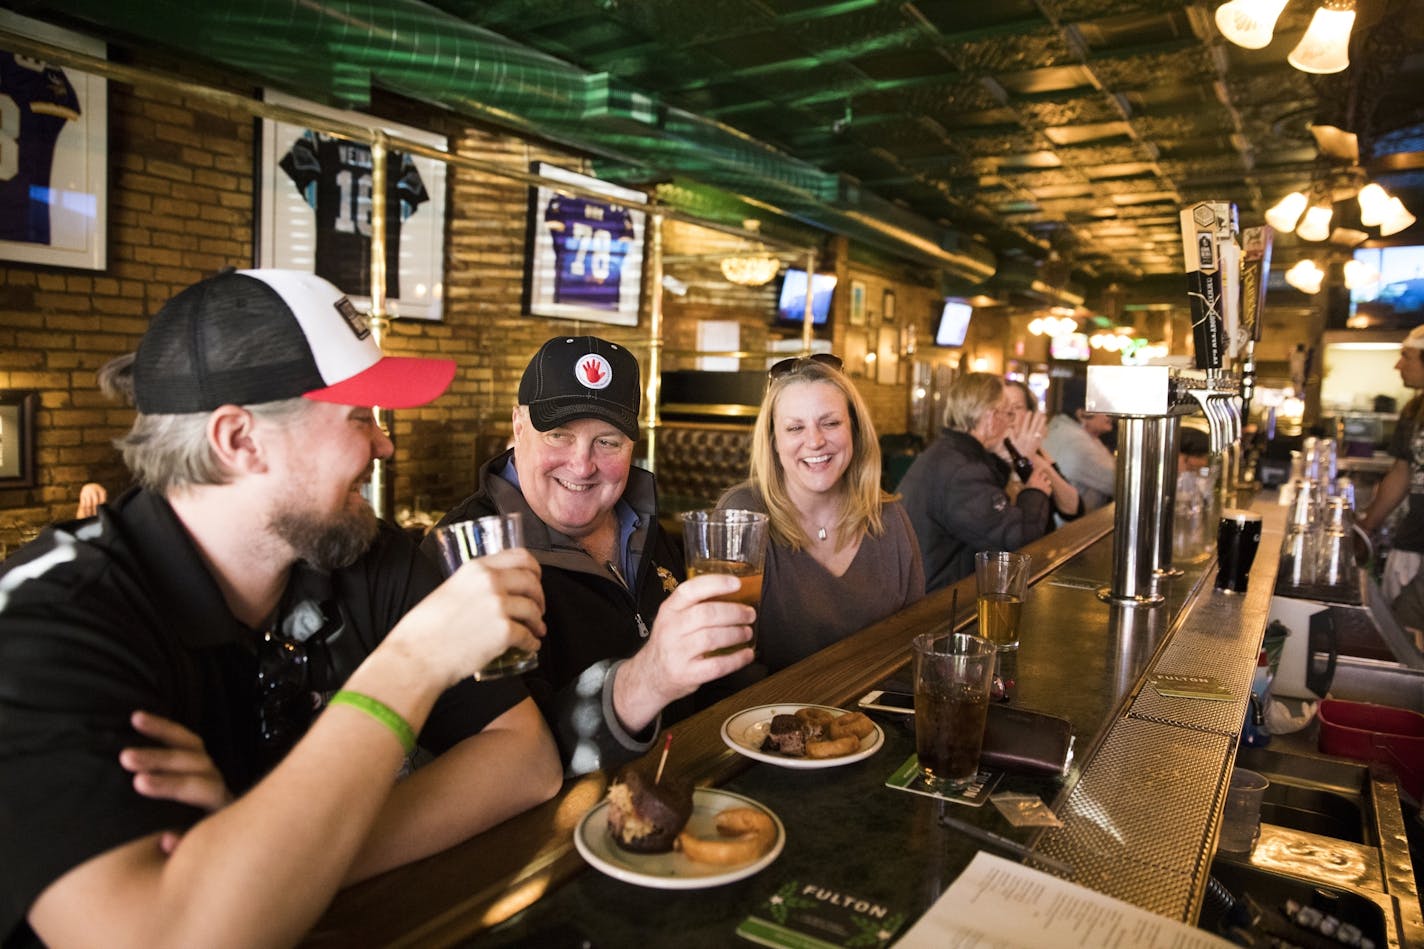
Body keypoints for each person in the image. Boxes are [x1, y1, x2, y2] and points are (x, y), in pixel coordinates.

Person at [0, 269, 563, 948]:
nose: (385, 444)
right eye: (361, 417)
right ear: (239, 440)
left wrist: (264, 853)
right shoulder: (53, 619)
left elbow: (527, 761)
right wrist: (413, 660)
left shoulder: (365, 551)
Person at [428, 336, 756, 776]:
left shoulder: (643, 521)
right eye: (559, 435)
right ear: (518, 425)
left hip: (684, 778)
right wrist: (646, 678)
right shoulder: (466, 553)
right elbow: (495, 758)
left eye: (607, 442)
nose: (582, 466)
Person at [717, 354, 924, 673]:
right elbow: (726, 664)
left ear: (854, 430)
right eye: (795, 427)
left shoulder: (890, 517)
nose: (814, 441)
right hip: (767, 718)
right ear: (774, 441)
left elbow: (913, 642)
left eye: (830, 423)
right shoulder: (743, 515)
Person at [899, 372, 1053, 592]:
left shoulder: (950, 451)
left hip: (933, 586)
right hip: (936, 604)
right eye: (1008, 414)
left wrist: (1002, 458)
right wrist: (1035, 492)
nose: (1011, 422)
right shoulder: (963, 472)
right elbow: (1018, 539)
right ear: (991, 418)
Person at [1358, 325, 1424, 604]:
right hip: (1412, 545)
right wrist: (1364, 530)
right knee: (1403, 632)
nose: (1398, 365)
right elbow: (1401, 473)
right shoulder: (1414, 410)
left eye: (1406, 356)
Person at [999, 378, 1082, 526]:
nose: (1010, 414)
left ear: (1030, 413)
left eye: (1017, 407)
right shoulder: (986, 455)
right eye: (1002, 407)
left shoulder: (1038, 453)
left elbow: (1073, 509)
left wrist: (1034, 460)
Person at [1041, 374, 1116, 512]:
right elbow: (1120, 483)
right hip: (1072, 529)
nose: (1110, 412)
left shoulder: (1062, 426)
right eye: (1103, 406)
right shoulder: (1076, 442)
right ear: (1081, 413)